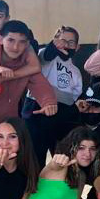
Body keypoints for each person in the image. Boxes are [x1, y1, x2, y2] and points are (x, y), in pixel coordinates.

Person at [0, 20, 58, 157]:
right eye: (11, 40)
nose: (15, 47)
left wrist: (49, 102)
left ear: (27, 44)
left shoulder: (26, 65)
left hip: (7, 126)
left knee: (8, 163)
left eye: (22, 42)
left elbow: (39, 82)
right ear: (0, 39)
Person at [25, 25, 83, 163]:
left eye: (71, 42)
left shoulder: (76, 71)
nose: (66, 45)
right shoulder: (44, 54)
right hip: (38, 108)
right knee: (35, 155)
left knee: (63, 156)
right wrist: (53, 47)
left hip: (62, 112)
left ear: (77, 47)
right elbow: (47, 55)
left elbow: (75, 96)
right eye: (62, 41)